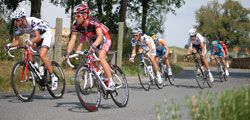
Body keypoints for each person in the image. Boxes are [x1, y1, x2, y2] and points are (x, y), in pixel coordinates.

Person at [62, 4, 115, 91]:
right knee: (90, 58)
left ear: (85, 15)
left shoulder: (93, 22)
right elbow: (72, 40)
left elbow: (100, 37)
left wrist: (94, 46)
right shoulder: (76, 25)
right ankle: (100, 74)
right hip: (92, 40)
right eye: (75, 16)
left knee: (101, 57)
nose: (75, 18)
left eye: (77, 16)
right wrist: (67, 52)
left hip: (103, 37)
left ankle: (111, 82)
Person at [5, 8, 58, 90]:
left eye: (17, 20)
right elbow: (16, 41)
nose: (15, 22)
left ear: (23, 19)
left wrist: (29, 42)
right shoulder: (17, 26)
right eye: (14, 20)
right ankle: (37, 68)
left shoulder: (32, 21)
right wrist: (9, 45)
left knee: (42, 54)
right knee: (28, 50)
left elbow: (38, 37)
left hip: (46, 34)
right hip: (36, 36)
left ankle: (53, 77)